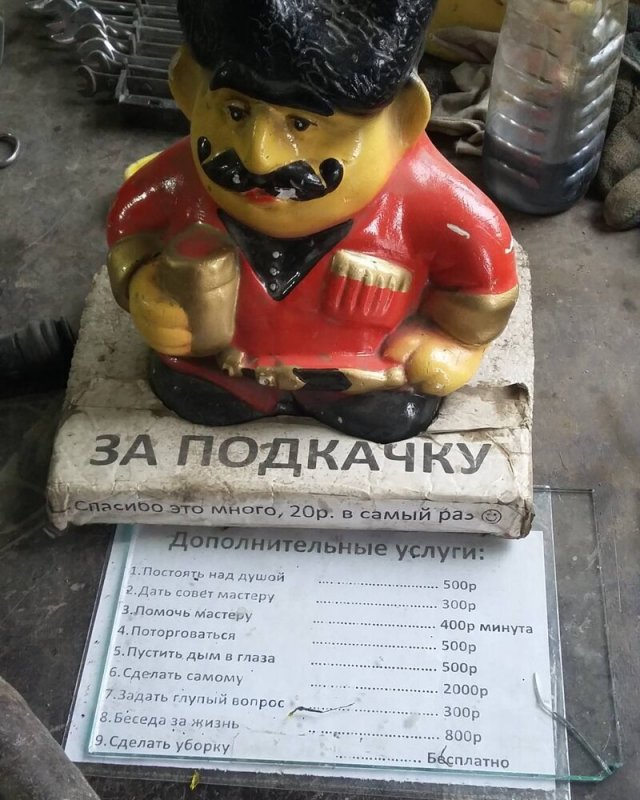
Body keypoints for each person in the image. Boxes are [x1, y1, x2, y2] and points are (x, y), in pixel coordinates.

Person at [107, 0, 518, 444]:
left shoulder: (435, 205)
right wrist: (144, 285)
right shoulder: (178, 180)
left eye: (302, 125)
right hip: (219, 370)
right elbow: (132, 232)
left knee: (387, 412)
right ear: (189, 88)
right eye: (236, 112)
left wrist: (455, 345)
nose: (259, 158)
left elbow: (484, 282)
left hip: (363, 379)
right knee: (196, 391)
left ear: (404, 118)